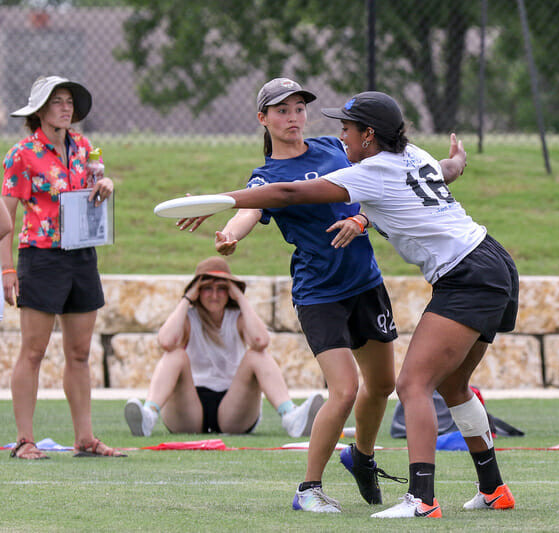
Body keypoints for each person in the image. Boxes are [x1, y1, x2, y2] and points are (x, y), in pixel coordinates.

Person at [178, 91, 516, 519]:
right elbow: (446, 171)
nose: (340, 135)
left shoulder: (365, 167)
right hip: (494, 260)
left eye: (348, 128)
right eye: (284, 110)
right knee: (451, 386)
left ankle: (422, 500)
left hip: (462, 274)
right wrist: (458, 161)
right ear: (264, 118)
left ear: (369, 135)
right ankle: (493, 489)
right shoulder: (414, 154)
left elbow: (287, 195)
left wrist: (218, 199)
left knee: (411, 385)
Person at [193, 78, 403, 513]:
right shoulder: (267, 177)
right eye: (282, 110)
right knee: (344, 390)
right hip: (320, 293)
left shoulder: (334, 147)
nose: (293, 118)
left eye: (299, 109)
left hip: (366, 281)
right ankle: (308, 489)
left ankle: (361, 458)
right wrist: (229, 235)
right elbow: (250, 208)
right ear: (263, 119)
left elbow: (380, 183)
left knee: (383, 385)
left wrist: (361, 219)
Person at [2, 76, 122, 459]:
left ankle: (85, 438)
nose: (66, 107)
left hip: (82, 254)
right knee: (33, 351)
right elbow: (6, 216)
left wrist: (108, 185)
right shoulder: (21, 153)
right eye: (57, 101)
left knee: (80, 353)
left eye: (69, 101)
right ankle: (25, 439)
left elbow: (97, 184)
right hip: (40, 256)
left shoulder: (84, 147)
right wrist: (7, 271)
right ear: (39, 110)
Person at [124, 256, 324, 439]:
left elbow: (261, 341)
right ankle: (149, 414)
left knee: (256, 355)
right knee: (175, 355)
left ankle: (290, 416)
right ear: (197, 291)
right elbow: (166, 342)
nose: (214, 295)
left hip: (233, 405)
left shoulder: (236, 318)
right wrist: (186, 299)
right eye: (207, 288)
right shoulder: (188, 318)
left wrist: (241, 298)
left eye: (221, 288)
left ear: (229, 292)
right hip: (189, 407)